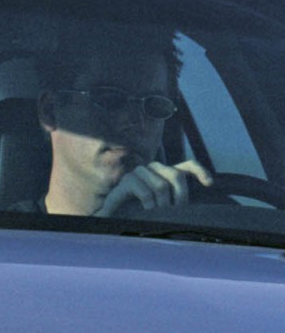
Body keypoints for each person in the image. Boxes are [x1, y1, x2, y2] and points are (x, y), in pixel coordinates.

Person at [33, 26, 213, 216]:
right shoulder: (6, 233)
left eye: (154, 106)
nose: (134, 122)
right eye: (108, 98)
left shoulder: (188, 231)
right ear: (50, 111)